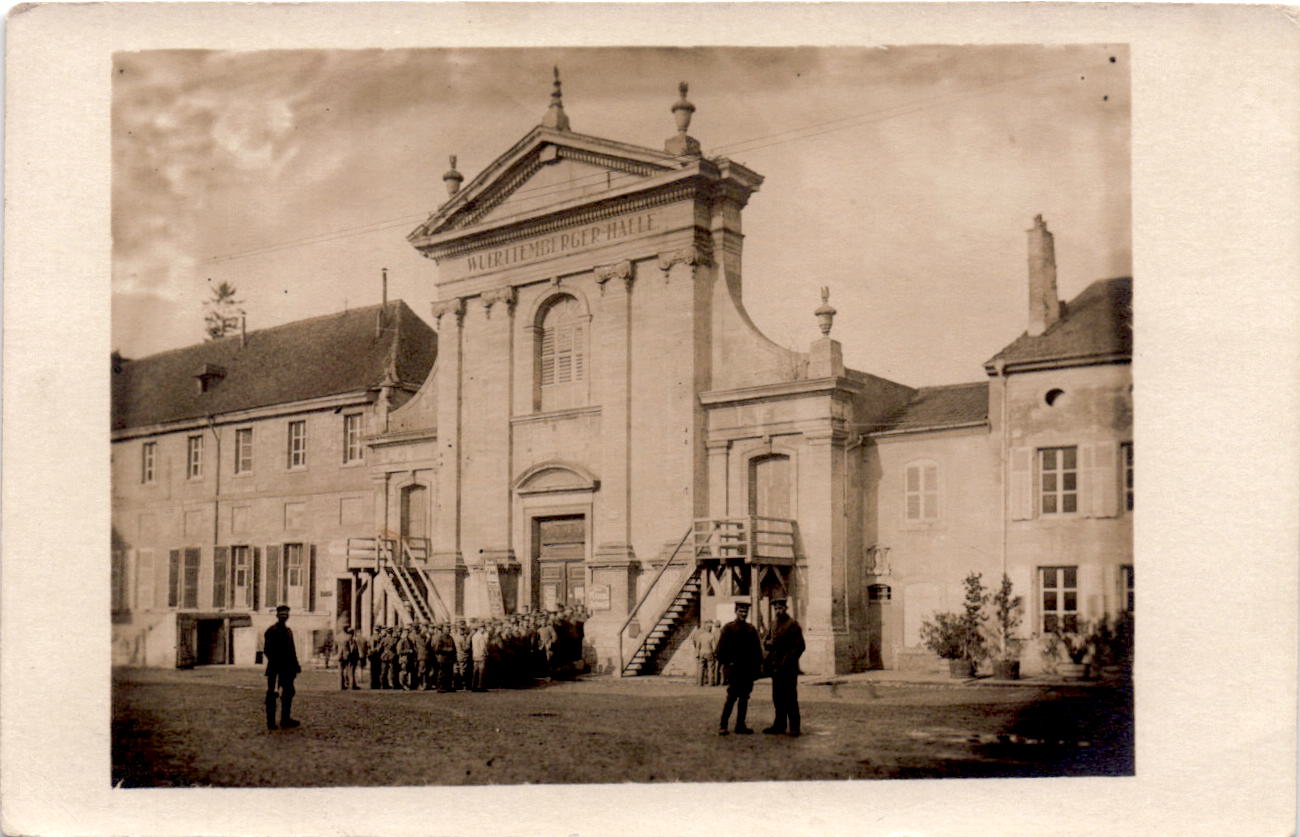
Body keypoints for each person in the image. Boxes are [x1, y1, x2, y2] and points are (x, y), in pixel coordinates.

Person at [715, 601, 763, 736]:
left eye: (745, 611)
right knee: (731, 697)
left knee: (744, 698)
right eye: (741, 611)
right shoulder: (728, 628)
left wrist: (757, 668)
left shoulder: (751, 629)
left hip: (747, 671)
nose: (743, 614)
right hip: (734, 670)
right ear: (736, 612)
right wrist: (727, 665)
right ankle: (723, 725)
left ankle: (740, 725)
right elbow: (720, 650)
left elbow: (757, 651)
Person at [762, 598, 805, 737]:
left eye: (780, 608)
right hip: (776, 667)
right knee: (777, 697)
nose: (778, 611)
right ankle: (779, 725)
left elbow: (800, 646)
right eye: (775, 608)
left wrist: (788, 660)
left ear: (786, 608)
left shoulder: (792, 625)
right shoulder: (773, 624)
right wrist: (768, 643)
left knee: (790, 697)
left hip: (788, 668)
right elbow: (765, 641)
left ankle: (794, 727)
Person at [263, 604, 301, 730]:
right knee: (272, 694)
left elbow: (292, 650)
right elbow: (267, 650)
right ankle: (271, 722)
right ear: (277, 616)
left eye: (286, 615)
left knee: (288, 693)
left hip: (288, 668)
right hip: (275, 668)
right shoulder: (271, 631)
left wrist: (296, 665)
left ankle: (285, 719)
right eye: (282, 615)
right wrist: (277, 662)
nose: (284, 617)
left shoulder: (288, 631)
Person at [337, 626, 361, 690]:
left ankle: (341, 686)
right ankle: (351, 685)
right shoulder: (348, 638)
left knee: (341, 671)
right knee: (350, 671)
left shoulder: (338, 637)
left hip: (340, 655)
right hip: (347, 656)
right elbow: (352, 649)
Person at [470, 623, 490, 691]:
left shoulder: (474, 636)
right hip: (481, 655)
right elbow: (483, 647)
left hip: (475, 655)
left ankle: (473, 686)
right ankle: (480, 686)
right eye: (483, 628)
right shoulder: (481, 636)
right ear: (480, 628)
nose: (484, 629)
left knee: (475, 671)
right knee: (481, 671)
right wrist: (486, 653)